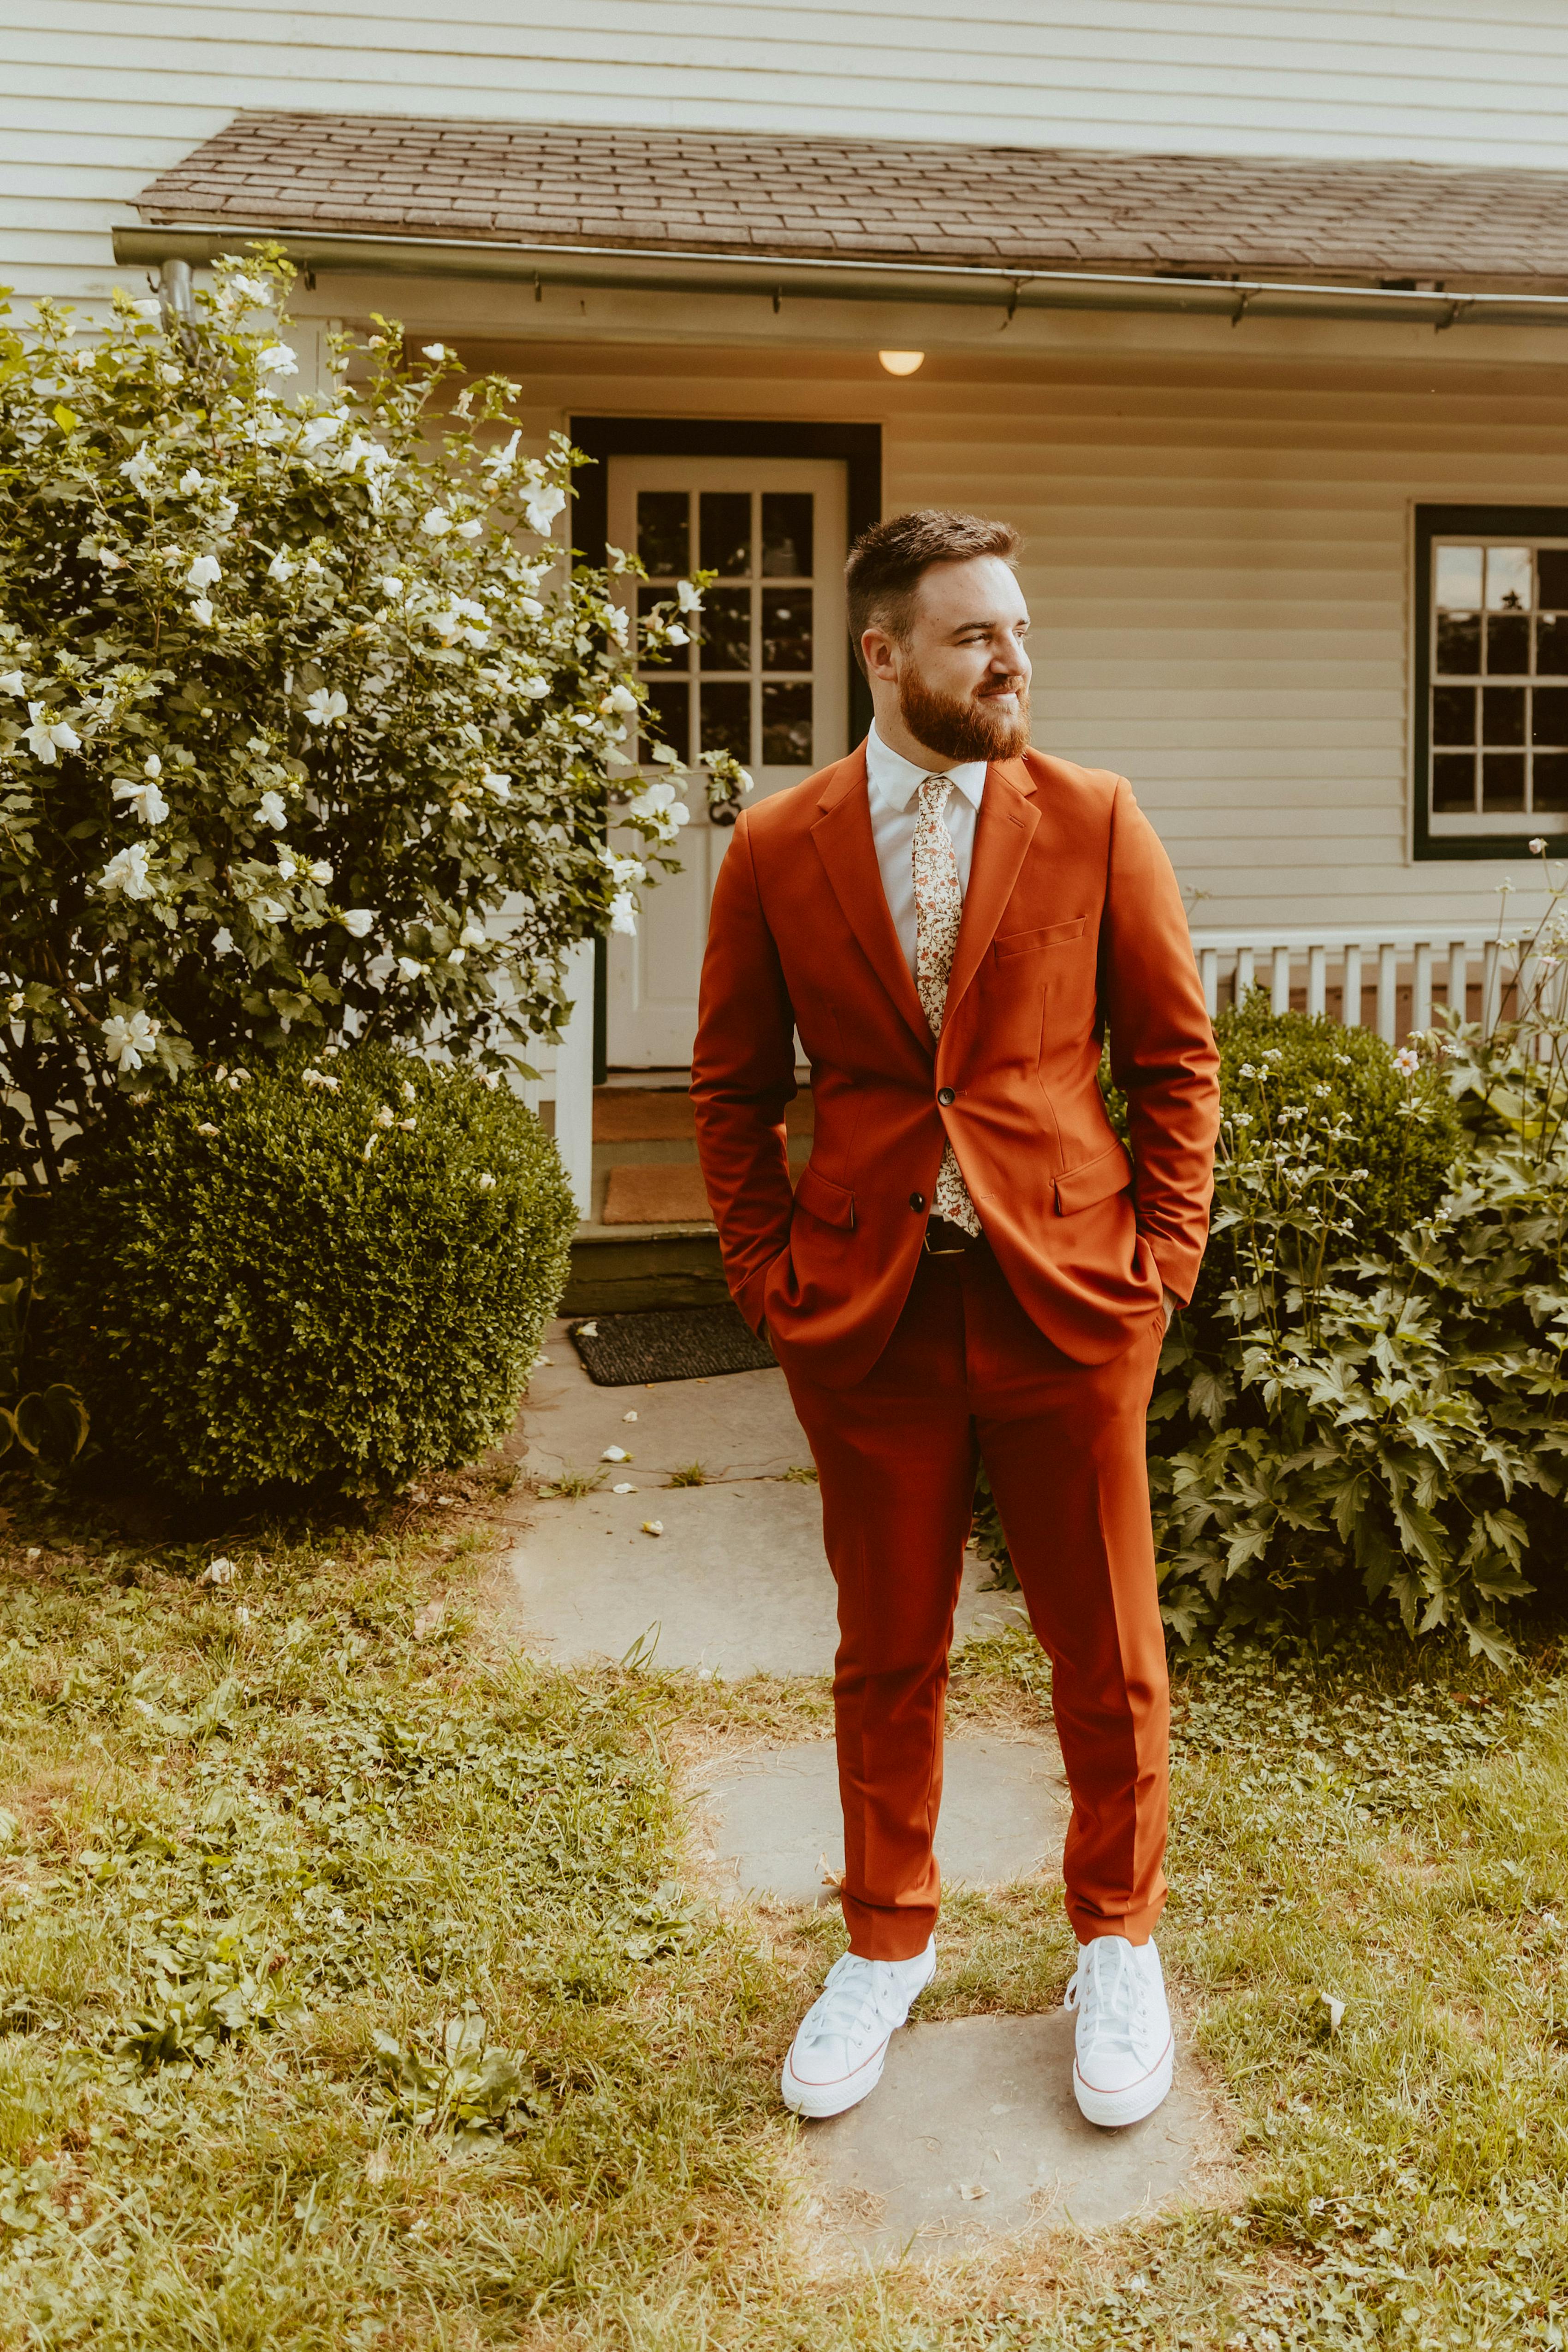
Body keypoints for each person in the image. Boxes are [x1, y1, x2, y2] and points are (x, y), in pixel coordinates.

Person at [690, 508, 1220, 2131]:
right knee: (888, 1649)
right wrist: (769, 1278)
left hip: (1071, 1295)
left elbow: (1176, 1058)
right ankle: (884, 1941)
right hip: (871, 1314)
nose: (1016, 660)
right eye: (978, 634)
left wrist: (1163, 1267)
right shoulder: (778, 845)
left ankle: (1116, 1939)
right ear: (885, 653)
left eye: (1021, 629)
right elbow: (730, 1086)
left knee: (1107, 1652)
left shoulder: (1097, 818)